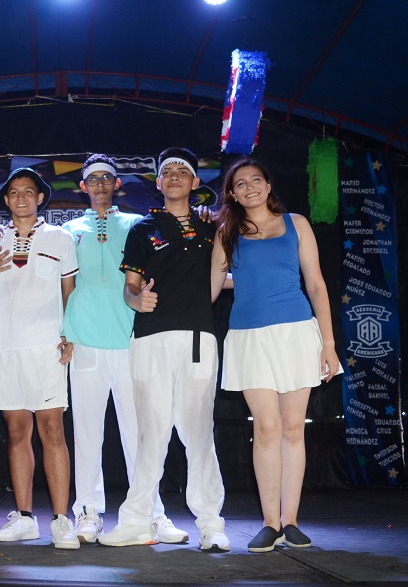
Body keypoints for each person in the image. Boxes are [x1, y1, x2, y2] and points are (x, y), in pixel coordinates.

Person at [99, 147, 229, 552]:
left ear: (194, 183)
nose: (174, 176)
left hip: (197, 338)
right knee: (150, 434)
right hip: (151, 338)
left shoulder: (212, 229)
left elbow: (225, 276)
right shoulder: (142, 230)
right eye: (167, 171)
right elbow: (131, 286)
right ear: (158, 183)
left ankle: (211, 523)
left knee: (198, 433)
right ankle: (137, 520)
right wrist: (135, 301)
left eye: (182, 171)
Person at [211, 158, 340, 552]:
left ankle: (291, 520)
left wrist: (329, 343)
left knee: (291, 427)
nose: (249, 187)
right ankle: (270, 522)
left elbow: (316, 285)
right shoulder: (227, 232)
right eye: (240, 183)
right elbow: (210, 289)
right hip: (249, 337)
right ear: (232, 194)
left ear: (268, 185)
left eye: (256, 180)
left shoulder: (297, 224)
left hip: (297, 333)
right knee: (265, 427)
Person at [62, 155, 188, 545]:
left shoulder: (138, 225)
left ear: (117, 185)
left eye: (107, 179)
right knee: (86, 433)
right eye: (92, 179)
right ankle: (87, 511)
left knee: (141, 433)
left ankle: (151, 512)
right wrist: (64, 331)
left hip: (132, 341)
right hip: (83, 342)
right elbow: (64, 287)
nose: (100, 184)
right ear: (82, 187)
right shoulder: (67, 231)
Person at [0, 167, 80, 550]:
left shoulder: (60, 238)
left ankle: (62, 520)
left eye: (28, 191)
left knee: (52, 431)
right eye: (14, 192)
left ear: (40, 198)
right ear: (5, 200)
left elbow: (70, 292)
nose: (21, 198)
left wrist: (70, 335)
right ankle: (26, 518)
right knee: (17, 433)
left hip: (46, 347)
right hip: (3, 347)